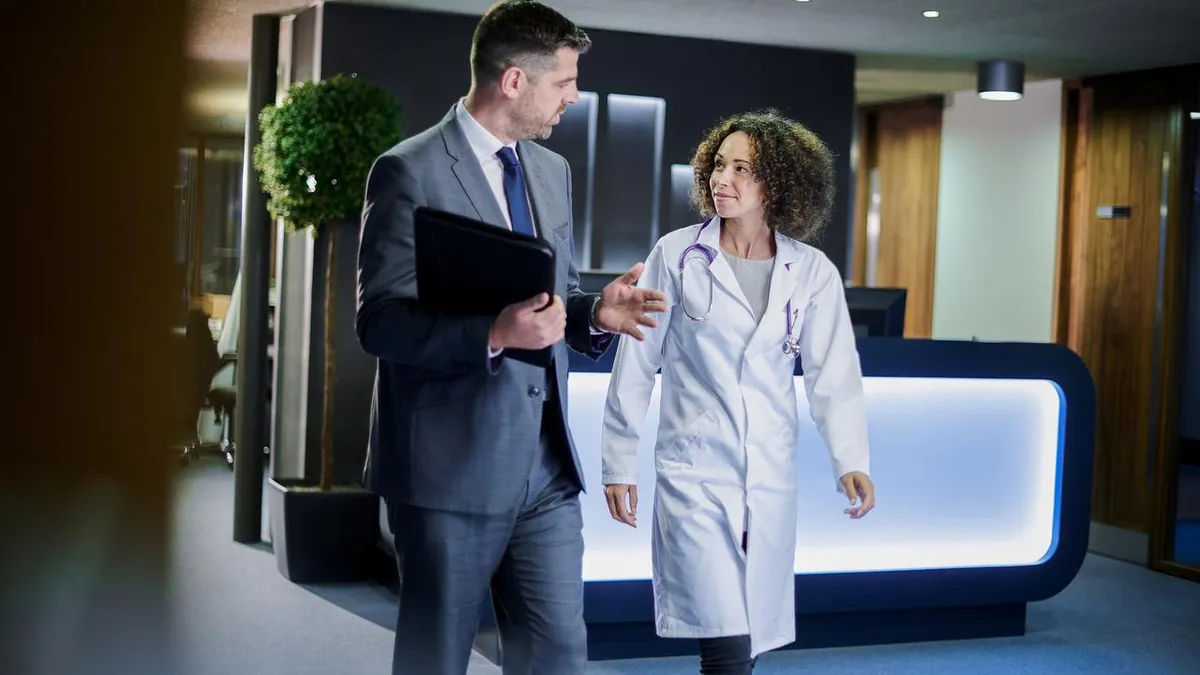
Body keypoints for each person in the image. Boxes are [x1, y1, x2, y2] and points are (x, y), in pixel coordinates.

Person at [355, 2, 667, 674]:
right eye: (564, 82)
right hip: (449, 472)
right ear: (515, 82)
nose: (575, 96)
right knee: (434, 660)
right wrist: (493, 332)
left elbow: (551, 297)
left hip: (547, 471)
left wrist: (593, 314)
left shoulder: (551, 173)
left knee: (559, 659)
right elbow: (378, 320)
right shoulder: (407, 171)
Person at [599, 109, 877, 675]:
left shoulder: (812, 272)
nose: (721, 179)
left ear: (777, 182)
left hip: (768, 475)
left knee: (745, 641)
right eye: (719, 165)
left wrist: (850, 458)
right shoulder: (676, 255)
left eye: (742, 168)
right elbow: (636, 364)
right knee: (725, 646)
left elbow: (834, 374)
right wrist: (617, 464)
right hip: (695, 473)